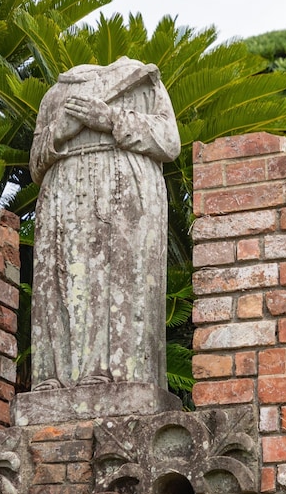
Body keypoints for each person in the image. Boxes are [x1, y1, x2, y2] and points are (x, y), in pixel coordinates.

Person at [29, 58, 180, 391]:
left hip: (124, 191)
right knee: (59, 280)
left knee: (117, 278)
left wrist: (110, 119)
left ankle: (117, 374)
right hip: (62, 192)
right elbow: (36, 163)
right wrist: (59, 131)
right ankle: (57, 376)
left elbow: (169, 142)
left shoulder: (141, 80)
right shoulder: (55, 94)